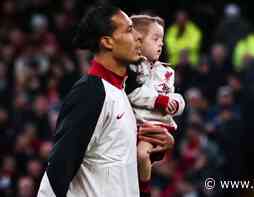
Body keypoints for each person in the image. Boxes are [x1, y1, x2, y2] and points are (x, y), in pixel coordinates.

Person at [37, 4, 175, 197]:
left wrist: (154, 148)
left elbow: (113, 161)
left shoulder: (121, 92)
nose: (138, 37)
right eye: (129, 30)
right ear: (107, 42)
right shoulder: (90, 93)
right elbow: (58, 169)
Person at [126, 15, 185, 197]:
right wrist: (158, 101)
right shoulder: (132, 68)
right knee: (141, 156)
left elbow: (173, 96)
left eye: (162, 39)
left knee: (142, 155)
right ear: (138, 40)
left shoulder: (167, 71)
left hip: (160, 126)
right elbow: (133, 93)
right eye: (155, 38)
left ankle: (144, 190)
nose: (161, 43)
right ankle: (143, 190)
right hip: (140, 125)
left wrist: (177, 104)